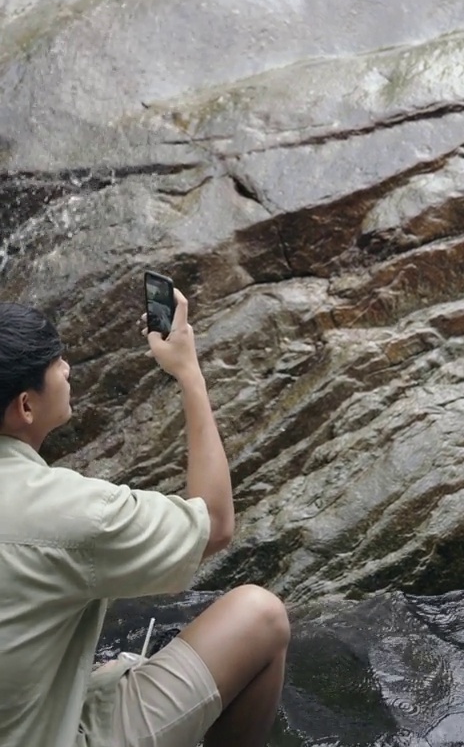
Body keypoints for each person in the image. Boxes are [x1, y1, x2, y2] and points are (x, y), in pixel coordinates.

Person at [0, 290, 290, 747]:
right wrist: (188, 372)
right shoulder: (70, 514)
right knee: (261, 615)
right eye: (55, 363)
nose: (67, 369)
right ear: (26, 407)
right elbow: (215, 524)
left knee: (113, 671)